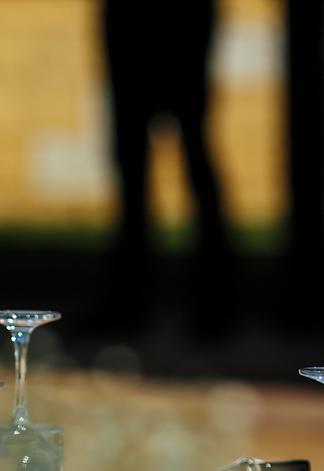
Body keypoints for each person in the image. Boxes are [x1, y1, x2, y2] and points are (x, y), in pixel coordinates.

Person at [101, 0, 236, 330]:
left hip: (176, 16)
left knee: (190, 150)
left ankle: (214, 304)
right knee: (134, 159)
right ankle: (130, 300)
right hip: (143, 17)